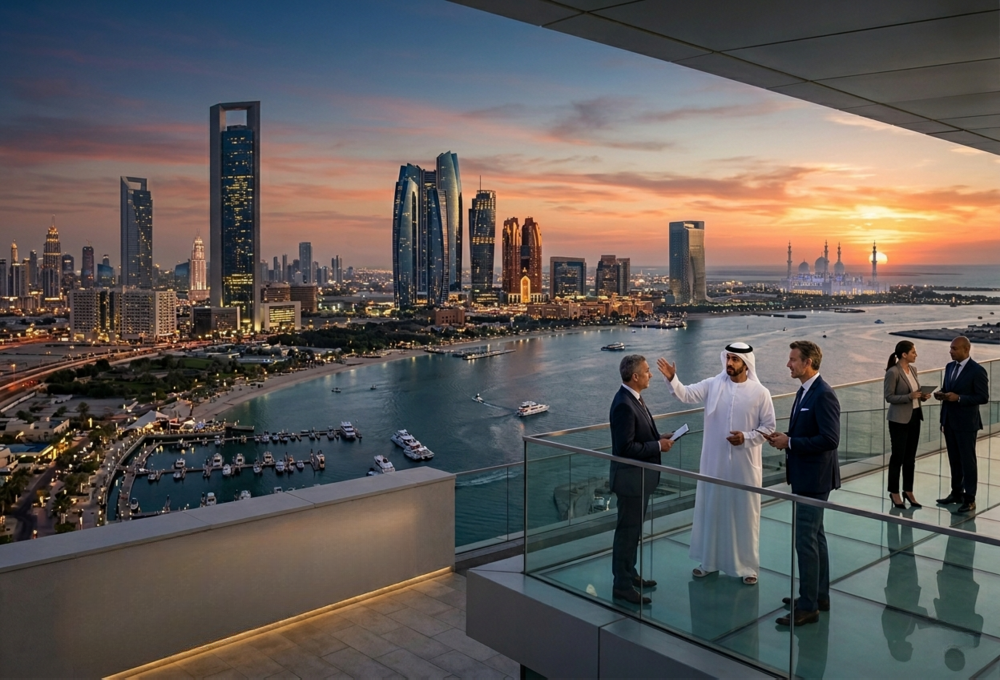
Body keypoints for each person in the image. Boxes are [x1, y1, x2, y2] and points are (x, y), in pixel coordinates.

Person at [656, 342, 776, 585]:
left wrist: (746, 437)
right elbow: (686, 394)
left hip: (744, 466)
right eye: (728, 358)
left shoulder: (760, 393)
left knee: (745, 514)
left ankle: (748, 567)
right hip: (714, 464)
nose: (729, 363)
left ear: (746, 363)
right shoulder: (713, 385)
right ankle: (708, 562)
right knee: (712, 511)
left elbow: (769, 428)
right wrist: (672, 378)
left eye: (735, 360)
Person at [765, 340, 840, 627]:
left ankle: (808, 606)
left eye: (793, 359)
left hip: (814, 479)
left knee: (805, 541)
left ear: (808, 362)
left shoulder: (823, 395)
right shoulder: (805, 391)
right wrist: (785, 438)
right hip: (808, 477)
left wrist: (791, 442)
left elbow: (831, 440)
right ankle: (818, 595)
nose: (788, 364)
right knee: (815, 537)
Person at [609, 354, 674, 605]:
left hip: (638, 480)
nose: (651, 375)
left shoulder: (632, 397)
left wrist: (660, 437)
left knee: (633, 531)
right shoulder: (624, 403)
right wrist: (658, 445)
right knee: (627, 533)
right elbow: (625, 448)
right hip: (630, 481)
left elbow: (639, 435)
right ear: (635, 376)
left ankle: (630, 573)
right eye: (647, 371)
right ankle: (622, 586)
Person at [935, 336, 989, 514]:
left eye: (954, 349)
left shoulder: (977, 371)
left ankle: (970, 498)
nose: (950, 351)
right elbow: (947, 389)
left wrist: (958, 398)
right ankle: (956, 493)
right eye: (950, 348)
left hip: (966, 424)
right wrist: (942, 395)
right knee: (954, 460)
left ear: (966, 350)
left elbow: (983, 397)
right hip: (949, 422)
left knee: (968, 462)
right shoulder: (949, 367)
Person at [883, 341, 930, 509]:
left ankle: (908, 491)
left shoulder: (914, 370)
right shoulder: (893, 372)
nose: (915, 355)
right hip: (898, 420)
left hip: (915, 416)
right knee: (898, 457)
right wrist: (909, 397)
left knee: (910, 458)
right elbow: (889, 397)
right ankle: (894, 492)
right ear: (904, 354)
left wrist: (922, 396)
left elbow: (914, 393)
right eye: (913, 352)